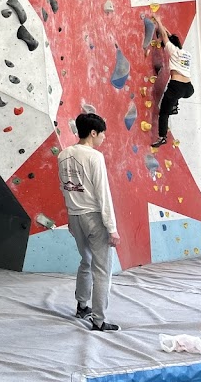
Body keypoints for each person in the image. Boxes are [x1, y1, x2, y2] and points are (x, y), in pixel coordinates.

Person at [58, 112, 121, 332]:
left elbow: (64, 188)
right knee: (102, 270)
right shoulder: (94, 157)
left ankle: (82, 306)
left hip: (75, 216)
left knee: (86, 261)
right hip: (93, 217)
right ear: (93, 133)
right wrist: (112, 228)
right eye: (102, 133)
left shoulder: (63, 155)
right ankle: (99, 320)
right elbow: (103, 194)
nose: (104, 137)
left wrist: (70, 215)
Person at [151, 14, 193, 148]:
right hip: (189, 89)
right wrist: (163, 28)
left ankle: (162, 137)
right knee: (173, 98)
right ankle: (174, 106)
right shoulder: (187, 54)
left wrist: (158, 20)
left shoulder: (173, 51)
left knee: (164, 113)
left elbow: (165, 36)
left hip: (177, 87)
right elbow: (169, 36)